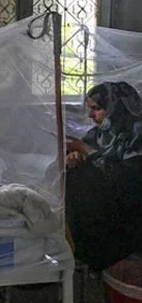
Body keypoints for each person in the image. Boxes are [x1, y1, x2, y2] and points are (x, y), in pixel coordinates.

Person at [66, 81, 142, 271]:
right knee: (74, 174)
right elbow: (91, 155)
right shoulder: (100, 134)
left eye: (97, 109)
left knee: (82, 179)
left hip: (128, 217)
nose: (91, 116)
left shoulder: (136, 138)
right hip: (104, 208)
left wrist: (87, 152)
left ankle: (92, 252)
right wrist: (75, 156)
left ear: (117, 109)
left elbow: (125, 181)